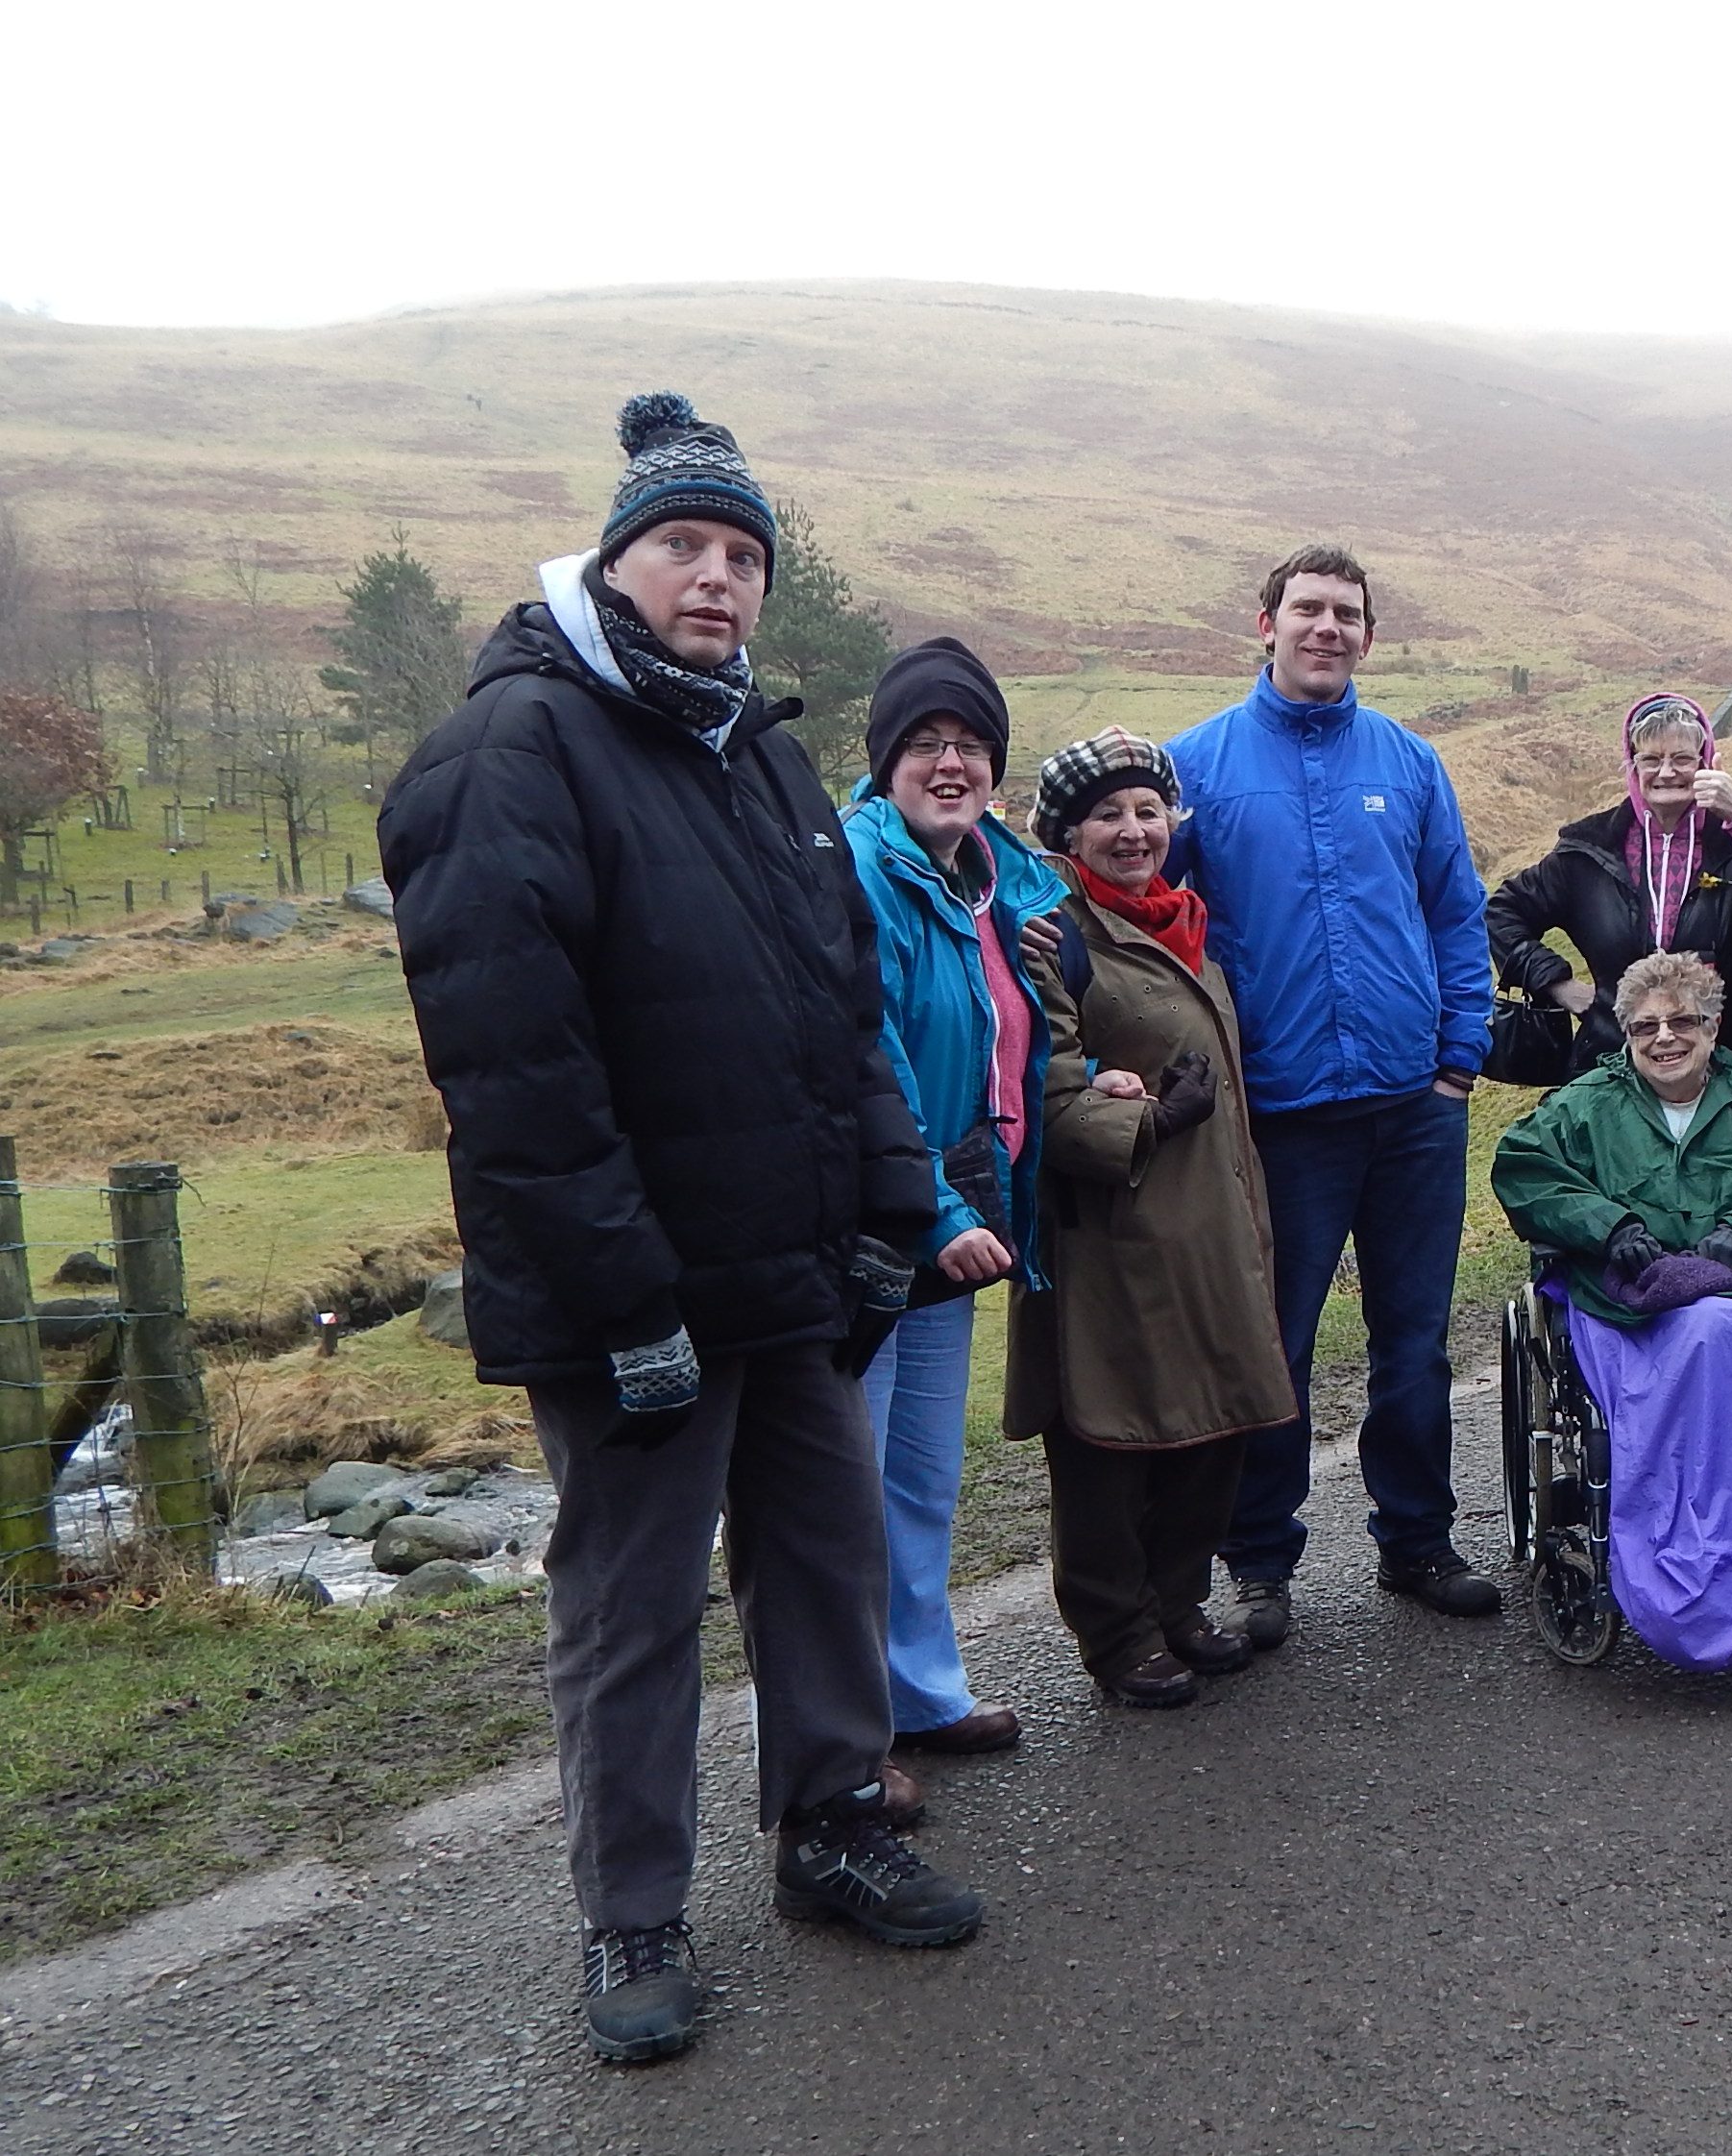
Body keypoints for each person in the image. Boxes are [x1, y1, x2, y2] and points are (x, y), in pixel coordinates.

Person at [379, 393, 982, 2067]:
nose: (718, 579)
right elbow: (514, 1069)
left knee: (824, 1550)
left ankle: (832, 1820)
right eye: (685, 547)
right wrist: (624, 1292)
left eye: (742, 553)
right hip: (628, 1286)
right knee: (632, 1607)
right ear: (614, 558)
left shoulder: (761, 752)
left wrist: (883, 1205)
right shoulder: (511, 749)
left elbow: (839, 1012)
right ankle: (632, 1909)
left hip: (780, 1270)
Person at [1160, 545, 1500, 1640]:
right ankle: (1260, 1559)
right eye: (1306, 609)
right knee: (1278, 1342)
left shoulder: (1406, 762)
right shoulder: (1196, 768)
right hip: (1280, 1116)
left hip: (1413, 1108)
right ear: (1263, 624)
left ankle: (1417, 1540)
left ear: (1368, 636)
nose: (1326, 628)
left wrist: (1460, 1054)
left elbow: (1456, 912)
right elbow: (1161, 930)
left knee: (1415, 1339)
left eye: (1346, 614)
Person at [1008, 728, 1294, 1707]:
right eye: (1108, 814)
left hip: (1212, 1227)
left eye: (1147, 810)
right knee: (1110, 1444)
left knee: (1208, 1430)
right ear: (1068, 832)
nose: (1133, 831)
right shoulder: (1051, 934)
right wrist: (1143, 1117)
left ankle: (1178, 1606)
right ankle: (1116, 1635)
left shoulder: (1186, 922)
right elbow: (1039, 1089)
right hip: (1112, 1238)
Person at [1491, 953, 1732, 1670]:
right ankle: (1685, 1561)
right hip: (1638, 1291)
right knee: (1699, 1332)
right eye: (1644, 1026)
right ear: (1624, 1036)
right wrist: (1608, 1225)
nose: (1664, 1038)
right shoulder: (1583, 1103)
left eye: (1681, 1021)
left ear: (1713, 1027)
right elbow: (1524, 1169)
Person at [842, 638, 1061, 1772]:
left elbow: (1010, 1044)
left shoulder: (1001, 878)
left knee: (921, 1480)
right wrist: (932, 1211)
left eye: (970, 744)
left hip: (964, 1214)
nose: (949, 762)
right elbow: (862, 1059)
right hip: (874, 1224)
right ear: (885, 760)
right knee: (840, 1495)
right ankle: (841, 1737)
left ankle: (920, 1695)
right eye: (925, 743)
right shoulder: (856, 872)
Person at [1486, 693, 1732, 1074]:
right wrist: (1558, 983)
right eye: (1650, 759)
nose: (1666, 772)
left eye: (1681, 758)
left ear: (1706, 763)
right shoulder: (1590, 849)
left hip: (1721, 1066)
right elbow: (1502, 912)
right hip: (1610, 1062)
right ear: (1632, 766)